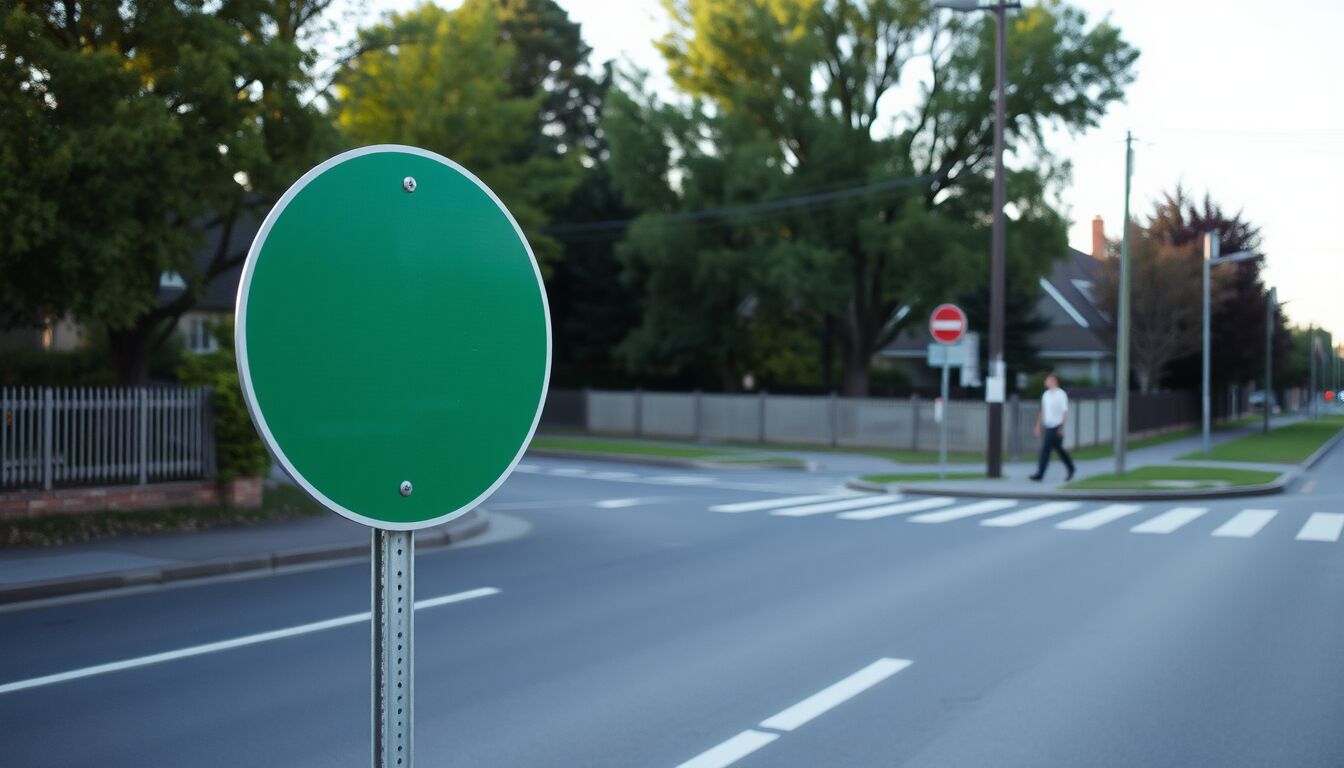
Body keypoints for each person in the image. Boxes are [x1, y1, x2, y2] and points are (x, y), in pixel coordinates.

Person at [1030, 372, 1075, 481]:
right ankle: (1071, 467)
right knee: (1059, 449)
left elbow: (1064, 411)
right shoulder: (1046, 395)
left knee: (1046, 449)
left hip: (1057, 426)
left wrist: (1061, 427)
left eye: (1048, 380)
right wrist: (1038, 425)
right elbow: (1043, 411)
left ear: (1053, 381)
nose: (1046, 382)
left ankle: (1040, 473)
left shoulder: (1061, 394)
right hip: (1048, 425)